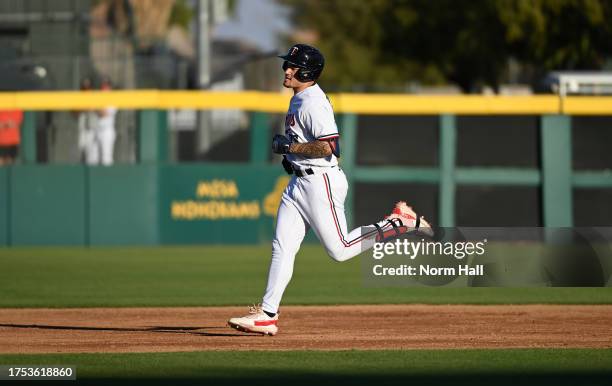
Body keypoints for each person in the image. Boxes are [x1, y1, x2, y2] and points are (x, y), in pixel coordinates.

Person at [228, 44, 433, 336]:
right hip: (299, 183)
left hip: (320, 182)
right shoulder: (298, 98)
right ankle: (267, 315)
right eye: (287, 64)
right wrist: (292, 159)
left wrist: (291, 148)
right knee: (282, 247)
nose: (287, 69)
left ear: (308, 71)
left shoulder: (313, 102)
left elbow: (330, 147)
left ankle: (399, 223)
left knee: (340, 250)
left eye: (293, 66)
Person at [81, 77, 117, 166]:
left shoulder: (114, 98)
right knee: (92, 158)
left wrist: (94, 107)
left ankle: (108, 178)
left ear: (110, 88)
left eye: (106, 87)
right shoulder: (98, 97)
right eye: (103, 86)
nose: (104, 88)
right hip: (95, 130)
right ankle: (93, 178)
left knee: (106, 158)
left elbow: (104, 113)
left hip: (107, 131)